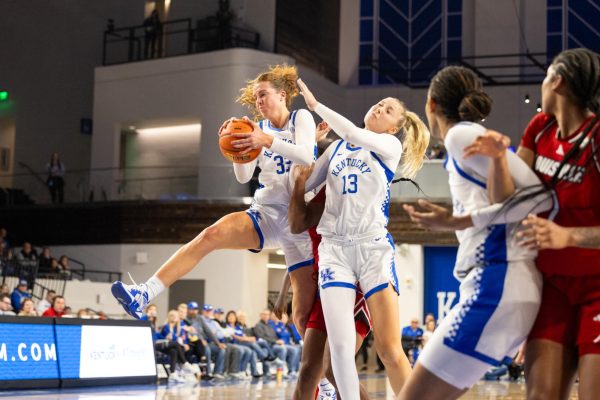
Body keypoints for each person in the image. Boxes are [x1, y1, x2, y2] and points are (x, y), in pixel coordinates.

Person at [111, 65, 317, 333]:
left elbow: (305, 156)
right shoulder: (256, 129)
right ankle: (144, 294)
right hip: (265, 213)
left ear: (281, 95)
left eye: (263, 94)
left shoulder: (300, 119)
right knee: (209, 235)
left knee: (300, 316)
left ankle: (321, 374)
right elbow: (244, 178)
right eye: (256, 97)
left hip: (298, 219)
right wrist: (236, 145)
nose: (258, 101)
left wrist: (264, 139)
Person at [399, 65, 552, 399]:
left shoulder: (460, 135)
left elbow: (541, 198)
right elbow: (514, 200)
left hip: (496, 285)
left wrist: (461, 220)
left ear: (431, 104)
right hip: (503, 287)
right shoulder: (465, 141)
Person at [464, 48, 600, 400]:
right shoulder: (540, 129)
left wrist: (566, 234)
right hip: (551, 286)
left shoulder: (597, 136)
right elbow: (504, 198)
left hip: (596, 288)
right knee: (539, 396)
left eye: (544, 77)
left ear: (558, 81)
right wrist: (498, 160)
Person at [294, 78, 430, 399]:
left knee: (389, 349)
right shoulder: (338, 148)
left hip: (371, 249)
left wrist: (315, 106)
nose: (379, 108)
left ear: (394, 127)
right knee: (339, 350)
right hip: (334, 251)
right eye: (379, 103)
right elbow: (306, 182)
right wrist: (304, 148)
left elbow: (354, 133)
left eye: (388, 110)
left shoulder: (389, 147)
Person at [286, 156, 374, 399]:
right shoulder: (314, 193)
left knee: (334, 368)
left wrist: (299, 184)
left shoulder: (342, 191)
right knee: (307, 373)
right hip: (324, 287)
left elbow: (296, 223)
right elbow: (300, 252)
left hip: (352, 285)